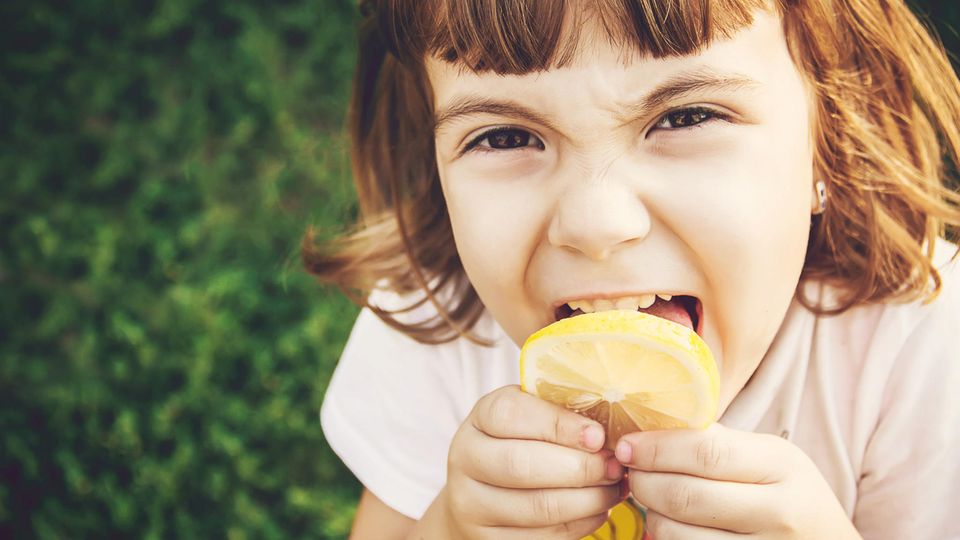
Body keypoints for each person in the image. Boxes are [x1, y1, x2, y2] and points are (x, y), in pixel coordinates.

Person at [306, 0, 960, 538]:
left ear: (827, 139)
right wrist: (448, 529)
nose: (595, 224)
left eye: (687, 116)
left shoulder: (919, 351)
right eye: (505, 136)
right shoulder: (438, 329)